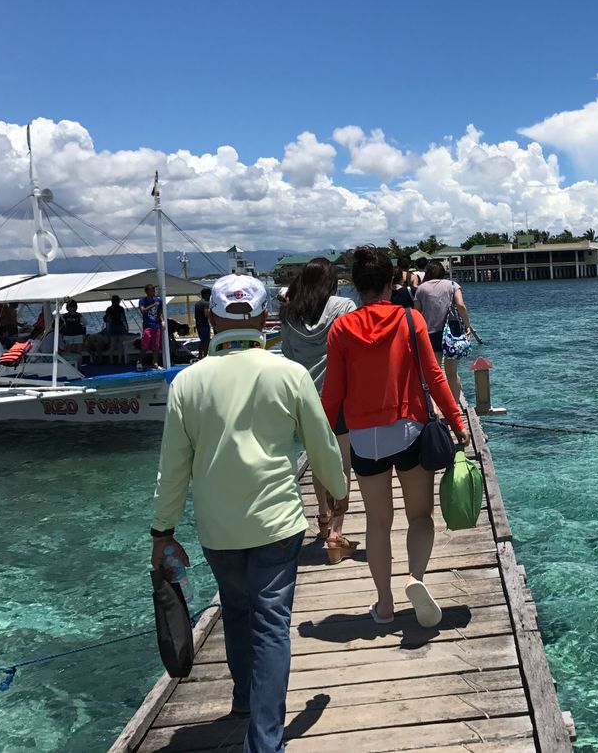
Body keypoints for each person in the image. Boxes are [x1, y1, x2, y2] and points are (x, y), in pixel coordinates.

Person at [151, 274, 348, 753]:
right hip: (277, 523)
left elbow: (172, 469)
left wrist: (163, 531)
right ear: (263, 319)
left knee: (237, 610)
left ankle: (244, 698)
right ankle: (264, 741)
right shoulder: (289, 374)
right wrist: (339, 490)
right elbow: (321, 443)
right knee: (271, 625)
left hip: (218, 530)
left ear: (212, 317)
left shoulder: (186, 383)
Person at [322, 246, 469, 626]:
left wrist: (320, 439)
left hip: (364, 440)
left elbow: (333, 393)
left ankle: (384, 604)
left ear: (356, 286)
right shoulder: (409, 319)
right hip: (408, 431)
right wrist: (457, 421)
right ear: (392, 282)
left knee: (377, 523)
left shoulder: (341, 329)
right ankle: (414, 579)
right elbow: (435, 375)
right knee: (419, 516)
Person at [279, 257, 358, 563]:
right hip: (338, 397)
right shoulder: (344, 307)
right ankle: (337, 531)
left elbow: (287, 355)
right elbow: (353, 350)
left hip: (304, 398)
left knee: (316, 461)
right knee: (342, 463)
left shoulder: (290, 313)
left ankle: (323, 516)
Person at [413, 261, 474, 401]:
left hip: (430, 332)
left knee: (435, 373)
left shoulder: (421, 288)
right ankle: (454, 405)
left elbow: (416, 313)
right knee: (452, 373)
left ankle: (437, 405)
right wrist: (467, 325)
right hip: (452, 330)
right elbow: (461, 305)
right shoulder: (452, 285)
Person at [137, 284, 163, 370]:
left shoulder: (158, 300)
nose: (153, 292)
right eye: (152, 291)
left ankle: (155, 362)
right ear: (147, 292)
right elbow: (142, 311)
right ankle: (140, 361)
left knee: (156, 345)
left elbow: (160, 312)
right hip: (147, 326)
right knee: (145, 344)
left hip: (156, 325)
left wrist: (162, 321)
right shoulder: (142, 301)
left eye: (154, 290)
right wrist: (153, 305)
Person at [59, 300, 87, 366]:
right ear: (68, 307)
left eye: (73, 306)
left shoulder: (79, 315)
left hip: (78, 334)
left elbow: (85, 323)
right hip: (68, 335)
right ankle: (68, 365)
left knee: (79, 350)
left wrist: (80, 327)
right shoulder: (64, 316)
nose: (72, 308)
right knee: (68, 350)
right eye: (70, 307)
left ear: (76, 307)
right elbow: (61, 325)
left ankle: (79, 365)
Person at [103, 295, 129, 365]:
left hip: (112, 327)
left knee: (112, 344)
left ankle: (111, 360)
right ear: (118, 301)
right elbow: (123, 318)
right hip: (120, 327)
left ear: (112, 301)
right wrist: (127, 327)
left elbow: (107, 319)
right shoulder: (121, 308)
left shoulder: (109, 309)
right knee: (120, 344)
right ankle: (119, 361)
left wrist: (108, 330)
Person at [194, 288, 212, 357]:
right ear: (207, 295)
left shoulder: (197, 304)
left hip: (198, 325)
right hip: (204, 325)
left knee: (203, 341)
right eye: (210, 295)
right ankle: (205, 355)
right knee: (206, 341)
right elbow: (206, 314)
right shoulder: (206, 303)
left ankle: (200, 355)